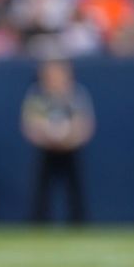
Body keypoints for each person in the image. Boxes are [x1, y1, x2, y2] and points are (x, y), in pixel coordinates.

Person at [21, 59, 94, 223]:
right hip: (46, 149)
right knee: (41, 189)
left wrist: (68, 138)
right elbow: (29, 122)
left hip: (71, 148)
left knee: (74, 189)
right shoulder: (37, 94)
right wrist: (47, 136)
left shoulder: (76, 94)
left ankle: (78, 223)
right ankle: (38, 223)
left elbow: (85, 123)